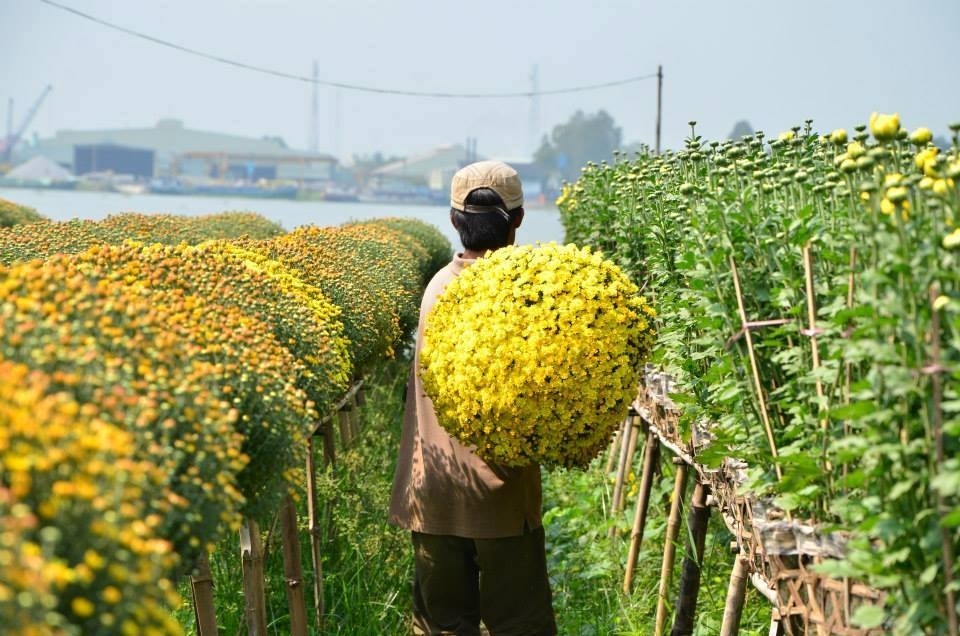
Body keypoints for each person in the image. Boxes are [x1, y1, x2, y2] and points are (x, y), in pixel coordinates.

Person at [389, 160, 557, 636]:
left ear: (453, 220)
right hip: (504, 502)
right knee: (520, 626)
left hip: (434, 494)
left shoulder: (437, 288)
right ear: (519, 219)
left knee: (443, 626)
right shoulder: (527, 292)